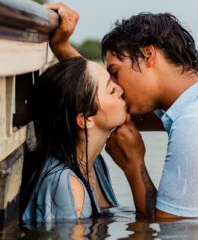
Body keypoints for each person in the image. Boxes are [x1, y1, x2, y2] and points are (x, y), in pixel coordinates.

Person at [47, 4, 198, 221]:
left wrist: (133, 164)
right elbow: (103, 104)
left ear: (149, 55)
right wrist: (62, 48)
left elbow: (169, 231)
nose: (116, 87)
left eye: (115, 73)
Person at [21, 55, 127, 224]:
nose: (121, 89)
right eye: (111, 90)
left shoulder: (96, 163)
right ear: (85, 120)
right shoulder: (67, 185)